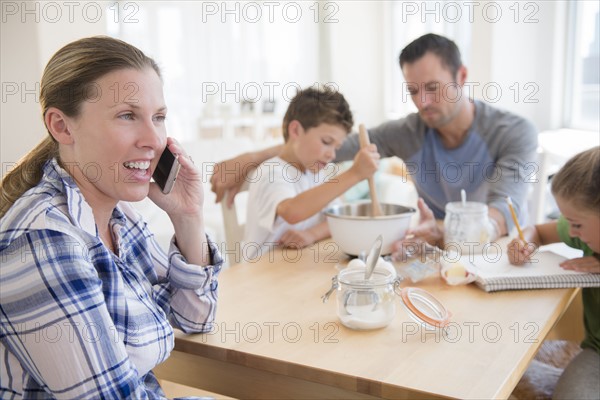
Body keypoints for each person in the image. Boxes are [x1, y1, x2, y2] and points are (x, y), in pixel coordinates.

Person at [0, 36, 222, 399]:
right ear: (61, 126)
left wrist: (189, 217)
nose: (154, 139)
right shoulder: (45, 239)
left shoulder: (118, 216)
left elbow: (194, 317)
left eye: (159, 117)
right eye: (127, 115)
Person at [210, 33, 538, 252]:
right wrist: (253, 157)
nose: (422, 102)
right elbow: (335, 147)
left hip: (497, 250)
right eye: (412, 91)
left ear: (462, 77)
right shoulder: (410, 131)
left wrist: (453, 232)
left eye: (433, 88)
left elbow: (500, 214)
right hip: (429, 250)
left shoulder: (513, 132)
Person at [243, 87, 379, 259]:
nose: (332, 154)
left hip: (294, 268)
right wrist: (355, 173)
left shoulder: (315, 173)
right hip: (259, 275)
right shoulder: (271, 172)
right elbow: (292, 211)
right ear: (296, 131)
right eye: (326, 142)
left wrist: (311, 234)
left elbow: (337, 217)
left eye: (336, 147)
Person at [507, 147, 600, 400]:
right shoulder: (583, 235)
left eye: (577, 224)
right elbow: (537, 231)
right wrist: (523, 242)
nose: (570, 232)